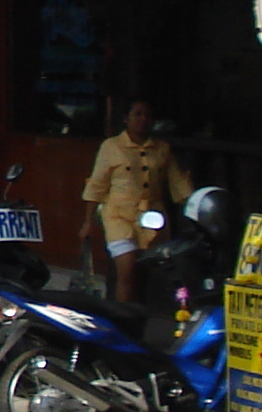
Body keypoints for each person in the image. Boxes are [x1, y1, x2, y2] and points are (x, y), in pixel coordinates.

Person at [81, 98, 191, 303]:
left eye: (147, 116)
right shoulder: (111, 146)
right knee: (127, 269)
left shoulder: (162, 148)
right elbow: (97, 185)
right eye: (137, 115)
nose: (143, 120)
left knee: (147, 273)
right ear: (126, 119)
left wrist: (191, 207)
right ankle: (123, 319)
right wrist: (88, 222)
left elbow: (178, 183)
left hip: (152, 218)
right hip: (118, 216)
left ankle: (139, 318)